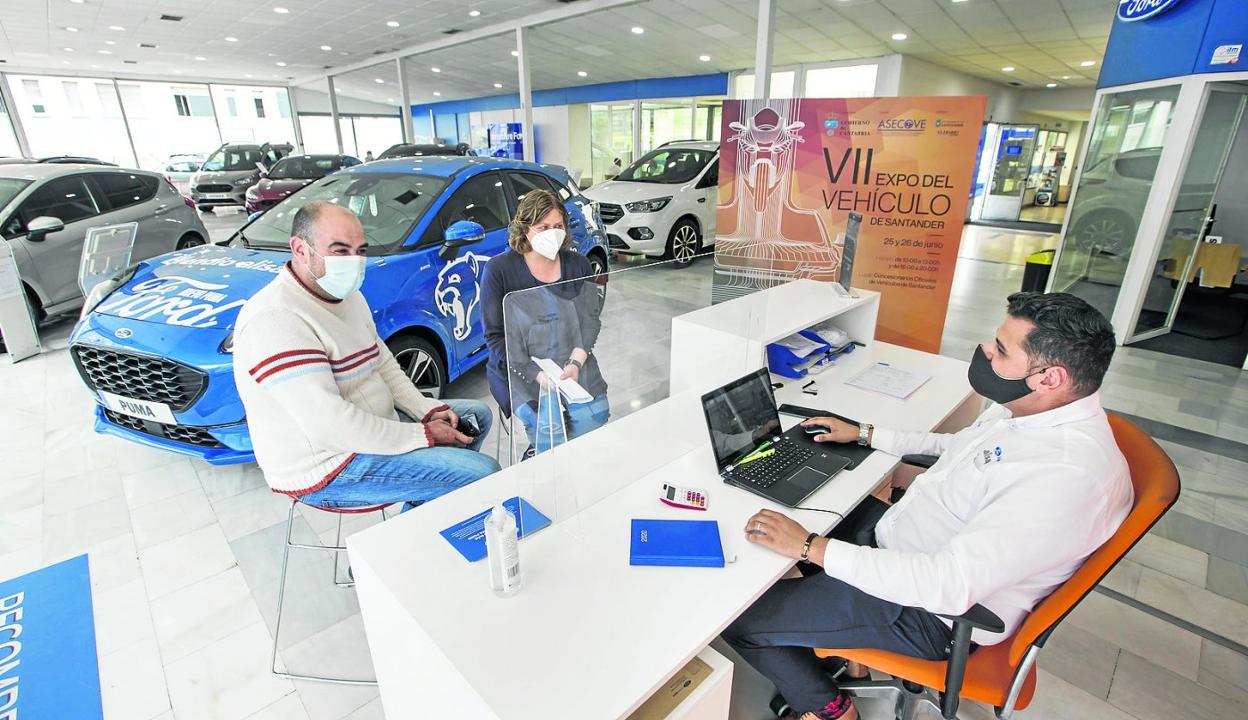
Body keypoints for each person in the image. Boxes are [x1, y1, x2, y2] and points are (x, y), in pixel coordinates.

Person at [722, 292, 1132, 720]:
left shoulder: (1063, 476)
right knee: (806, 504)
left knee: (737, 619)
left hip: (928, 611)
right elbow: (958, 446)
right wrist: (864, 433)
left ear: (1049, 378)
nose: (986, 351)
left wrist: (810, 547)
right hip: (905, 541)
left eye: (1002, 349)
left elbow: (945, 585)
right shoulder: (1031, 411)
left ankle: (830, 707)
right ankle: (838, 645)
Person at [233, 200, 500, 510]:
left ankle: (423, 515)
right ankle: (403, 542)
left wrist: (424, 409)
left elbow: (382, 361)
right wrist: (423, 435)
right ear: (300, 249)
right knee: (483, 473)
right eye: (340, 251)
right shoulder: (275, 319)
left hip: (368, 424)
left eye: (360, 251)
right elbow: (331, 427)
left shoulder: (347, 295)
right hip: (328, 462)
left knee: (475, 417)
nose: (354, 262)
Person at [481, 188, 609, 456]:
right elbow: (495, 338)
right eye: (543, 227)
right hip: (519, 367)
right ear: (525, 230)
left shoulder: (577, 265)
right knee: (548, 426)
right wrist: (536, 374)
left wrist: (576, 360)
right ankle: (545, 460)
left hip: (567, 362)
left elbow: (590, 320)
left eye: (558, 226)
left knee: (594, 415)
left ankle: (570, 460)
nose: (553, 233)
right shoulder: (499, 270)